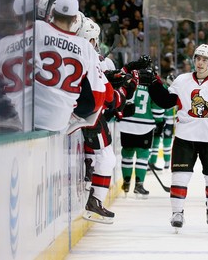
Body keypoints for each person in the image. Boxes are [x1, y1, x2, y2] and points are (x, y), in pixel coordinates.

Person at [144, 44, 208, 232]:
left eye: (205, 59)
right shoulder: (182, 80)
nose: (200, 62)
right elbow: (165, 101)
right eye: (198, 58)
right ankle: (177, 213)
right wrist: (154, 83)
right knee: (180, 177)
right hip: (185, 138)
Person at [76, 17, 144, 224]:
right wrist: (127, 86)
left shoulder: (76, 53)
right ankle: (94, 200)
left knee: (106, 157)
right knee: (107, 159)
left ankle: (90, 174)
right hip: (86, 113)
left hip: (75, 110)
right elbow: (109, 98)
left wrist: (118, 77)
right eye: (94, 40)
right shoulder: (90, 57)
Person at [33, 0, 106, 132]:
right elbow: (97, 99)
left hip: (28, 115)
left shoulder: (36, 29)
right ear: (75, 19)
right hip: (59, 122)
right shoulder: (85, 47)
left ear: (52, 12)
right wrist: (74, 115)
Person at [118, 66, 165, 199]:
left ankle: (126, 182)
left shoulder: (129, 83)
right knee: (142, 156)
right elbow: (157, 109)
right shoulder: (152, 87)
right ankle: (139, 185)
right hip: (145, 126)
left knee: (127, 154)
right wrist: (159, 122)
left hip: (126, 125)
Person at [0, 0, 34, 133]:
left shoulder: (1, 46)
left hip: (9, 115)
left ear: (15, 16)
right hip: (37, 115)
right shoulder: (44, 37)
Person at [148, 71, 177, 171]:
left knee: (166, 142)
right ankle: (153, 162)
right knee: (157, 142)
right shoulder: (164, 89)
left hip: (167, 121)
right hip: (162, 120)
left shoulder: (175, 91)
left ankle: (165, 162)